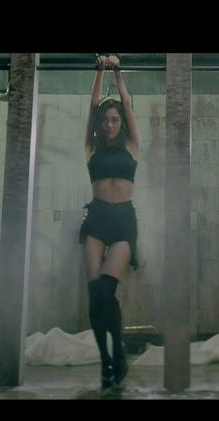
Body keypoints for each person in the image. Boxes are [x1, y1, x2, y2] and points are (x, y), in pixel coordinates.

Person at [80, 54, 140, 388]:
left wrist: (116, 72)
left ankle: (118, 350)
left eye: (115, 119)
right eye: (106, 120)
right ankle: (106, 361)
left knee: (106, 290)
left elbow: (127, 102)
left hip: (122, 222)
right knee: (95, 296)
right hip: (97, 219)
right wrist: (98, 72)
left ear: (122, 123)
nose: (110, 124)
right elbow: (92, 107)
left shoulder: (132, 146)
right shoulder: (92, 147)